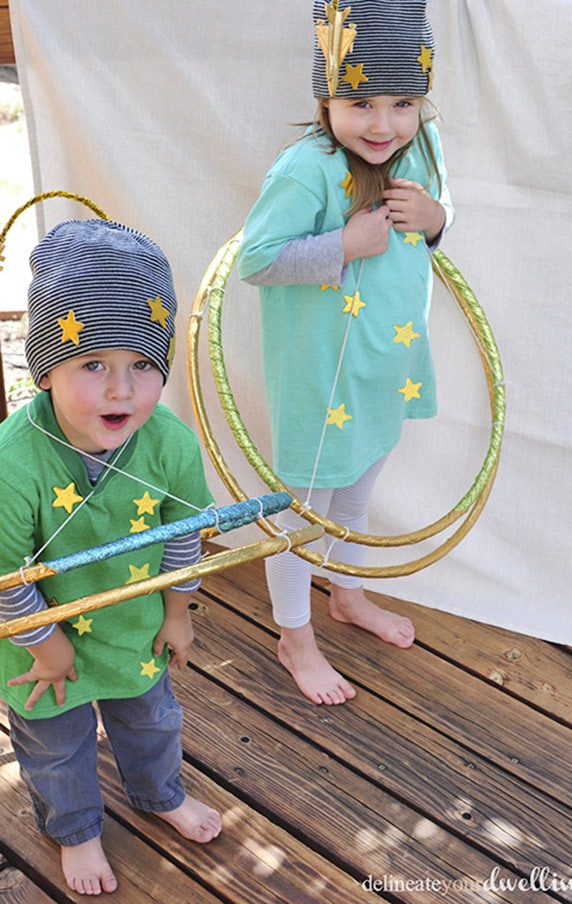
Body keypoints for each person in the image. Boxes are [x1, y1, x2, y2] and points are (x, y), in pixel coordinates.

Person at [237, 0, 454, 706]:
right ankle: (293, 635)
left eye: (403, 102)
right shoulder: (307, 168)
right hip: (318, 378)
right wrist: (342, 246)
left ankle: (348, 594)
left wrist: (437, 219)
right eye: (360, 100)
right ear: (326, 95)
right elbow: (258, 260)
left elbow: (439, 213)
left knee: (358, 487)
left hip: (383, 362)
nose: (383, 123)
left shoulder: (419, 148)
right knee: (305, 510)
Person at [0, 219, 222, 895]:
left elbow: (184, 537)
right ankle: (76, 830)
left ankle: (160, 796)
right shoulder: (14, 461)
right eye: (92, 364)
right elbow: (5, 577)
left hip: (131, 627)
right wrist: (47, 646)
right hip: (35, 646)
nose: (122, 390)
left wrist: (178, 613)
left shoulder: (170, 444)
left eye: (142, 365)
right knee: (56, 747)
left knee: (153, 719)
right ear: (45, 369)